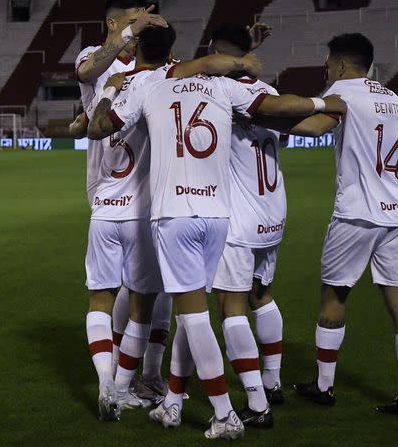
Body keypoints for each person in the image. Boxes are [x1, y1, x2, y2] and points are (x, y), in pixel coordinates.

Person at [88, 25, 347, 438]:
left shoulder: (148, 88)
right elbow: (277, 103)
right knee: (201, 315)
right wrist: (322, 100)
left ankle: (226, 413)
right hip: (220, 216)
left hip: (175, 215)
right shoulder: (226, 90)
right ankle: (173, 401)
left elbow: (99, 127)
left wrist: (106, 92)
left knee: (195, 318)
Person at [86, 24, 266, 421]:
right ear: (173, 54)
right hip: (166, 208)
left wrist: (110, 88)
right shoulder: (171, 77)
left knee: (105, 299)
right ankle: (147, 384)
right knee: (154, 308)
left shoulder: (123, 84)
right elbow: (212, 63)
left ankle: (114, 384)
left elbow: (95, 126)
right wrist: (245, 58)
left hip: (108, 207)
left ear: (134, 46)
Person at [282, 33, 398, 420]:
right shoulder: (396, 101)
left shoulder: (343, 94)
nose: (326, 69)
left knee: (334, 297)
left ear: (343, 64)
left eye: (328, 62)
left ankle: (324, 386)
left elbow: (313, 128)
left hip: (357, 214)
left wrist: (264, 122)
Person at [71, 0, 173, 420]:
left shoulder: (143, 68)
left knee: (127, 291)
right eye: (134, 23)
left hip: (121, 198)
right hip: (114, 189)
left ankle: (121, 381)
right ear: (115, 24)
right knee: (140, 296)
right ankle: (124, 381)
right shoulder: (98, 56)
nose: (139, 32)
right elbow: (88, 69)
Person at [203, 23, 288, 430]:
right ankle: (272, 382)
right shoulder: (270, 93)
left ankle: (257, 404)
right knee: (262, 295)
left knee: (229, 306)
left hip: (239, 218)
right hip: (273, 210)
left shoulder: (220, 94)